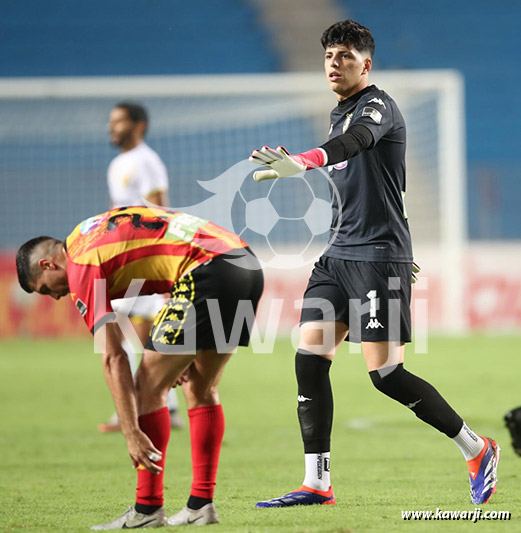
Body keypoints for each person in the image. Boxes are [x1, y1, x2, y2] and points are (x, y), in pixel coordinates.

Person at [249, 19, 499, 507]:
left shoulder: (377, 106)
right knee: (308, 361)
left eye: (344, 56)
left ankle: (477, 447)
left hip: (378, 258)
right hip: (336, 256)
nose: (333, 65)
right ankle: (317, 483)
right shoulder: (337, 112)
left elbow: (357, 142)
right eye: (328, 57)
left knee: (386, 376)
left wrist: (305, 160)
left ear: (366, 62)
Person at [16, 206, 264, 528]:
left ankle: (147, 510)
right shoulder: (86, 233)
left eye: (46, 288)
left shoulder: (81, 268)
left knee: (146, 387)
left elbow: (113, 356)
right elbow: (160, 245)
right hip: (243, 263)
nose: (55, 297)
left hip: (206, 271)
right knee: (201, 387)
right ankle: (200, 506)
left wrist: (131, 431)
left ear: (47, 264)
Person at [101, 101, 183, 432]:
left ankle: (132, 408)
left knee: (115, 328)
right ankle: (167, 406)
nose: (112, 127)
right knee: (139, 331)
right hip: (125, 257)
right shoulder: (117, 164)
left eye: (118, 121)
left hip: (143, 258)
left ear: (139, 126)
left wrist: (162, 262)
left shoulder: (146, 162)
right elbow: (116, 212)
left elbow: (160, 210)